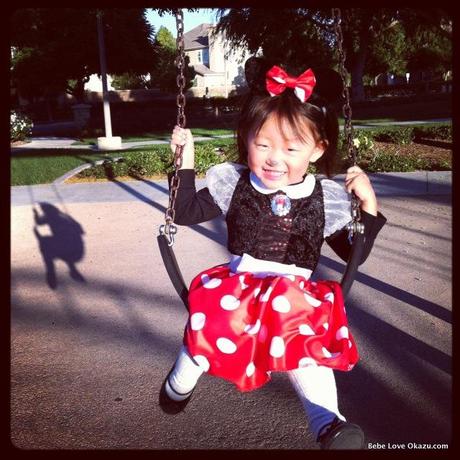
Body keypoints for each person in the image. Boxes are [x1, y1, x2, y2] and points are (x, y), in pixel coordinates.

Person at [159, 57, 387, 449]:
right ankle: (180, 382)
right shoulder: (236, 184)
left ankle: (329, 424)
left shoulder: (324, 199)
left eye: (291, 147)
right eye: (262, 144)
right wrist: (187, 158)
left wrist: (368, 207)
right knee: (207, 333)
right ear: (246, 139)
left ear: (317, 150)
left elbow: (354, 255)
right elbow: (184, 212)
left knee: (308, 352)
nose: (273, 159)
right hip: (239, 288)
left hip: (294, 298)